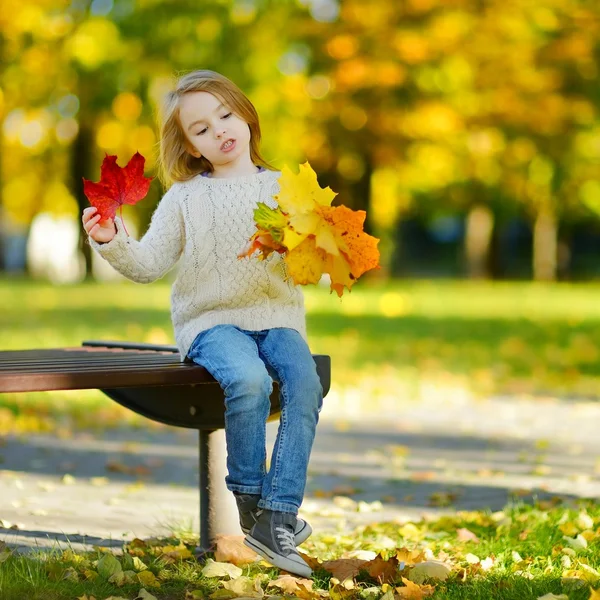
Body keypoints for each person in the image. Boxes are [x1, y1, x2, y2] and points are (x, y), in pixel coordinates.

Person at [81, 70, 323, 578]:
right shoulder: (187, 198)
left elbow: (314, 266)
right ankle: (255, 509)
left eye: (225, 115)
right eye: (201, 129)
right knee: (248, 380)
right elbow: (148, 266)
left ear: (246, 114)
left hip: (278, 319)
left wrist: (311, 249)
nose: (220, 131)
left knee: (305, 382)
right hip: (212, 324)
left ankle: (277, 514)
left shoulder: (287, 188)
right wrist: (112, 239)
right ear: (190, 147)